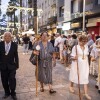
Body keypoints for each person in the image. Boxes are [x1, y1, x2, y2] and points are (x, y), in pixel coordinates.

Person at [69, 35, 91, 100]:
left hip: (85, 65)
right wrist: (74, 57)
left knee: (85, 77)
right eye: (83, 41)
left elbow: (87, 55)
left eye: (85, 41)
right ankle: (71, 86)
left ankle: (86, 93)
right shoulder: (75, 47)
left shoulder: (86, 47)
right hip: (76, 64)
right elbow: (71, 57)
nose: (84, 43)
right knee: (74, 75)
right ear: (79, 40)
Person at [0, 32, 19, 100]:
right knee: (4, 80)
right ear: (4, 37)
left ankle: (13, 93)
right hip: (3, 66)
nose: (7, 38)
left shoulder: (14, 45)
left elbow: (16, 55)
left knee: (12, 79)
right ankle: (7, 92)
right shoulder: (1, 44)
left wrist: (17, 65)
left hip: (12, 66)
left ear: (11, 38)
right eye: (5, 37)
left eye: (8, 37)